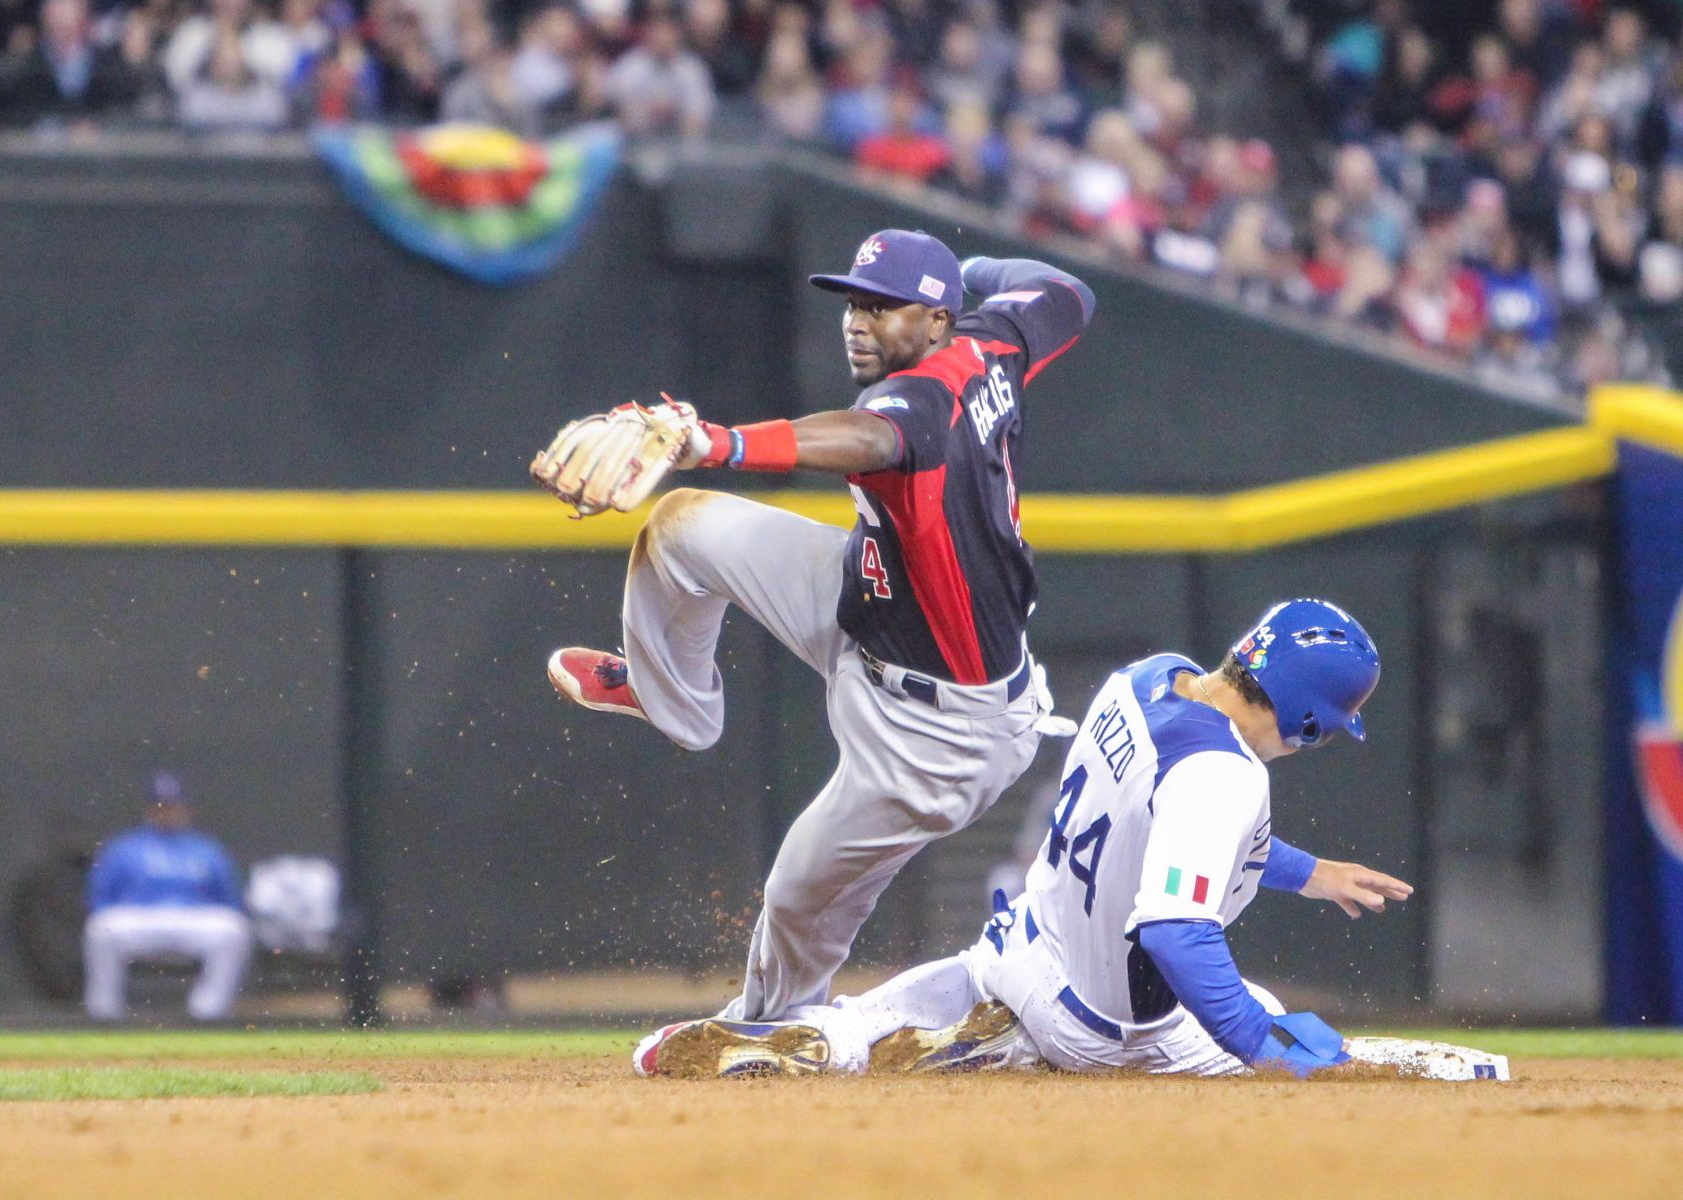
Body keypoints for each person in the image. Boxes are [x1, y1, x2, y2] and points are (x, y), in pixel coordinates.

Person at [541, 229, 1095, 1030]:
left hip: (937, 731)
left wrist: (717, 443)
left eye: (884, 306)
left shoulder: (919, 402)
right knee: (680, 530)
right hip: (864, 602)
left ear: (936, 322)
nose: (858, 322)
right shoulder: (994, 340)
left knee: (797, 897)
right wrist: (967, 273)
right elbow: (1068, 291)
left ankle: (774, 1028)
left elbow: (869, 438)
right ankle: (672, 702)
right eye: (854, 303)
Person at [634, 599, 1414, 1080]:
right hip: (1105, 1027)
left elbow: (1164, 834)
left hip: (1023, 943)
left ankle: (825, 1038)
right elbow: (1179, 932)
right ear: (1313, 719)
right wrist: (1259, 1043)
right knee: (1302, 1039)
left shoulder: (1148, 679)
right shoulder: (1227, 775)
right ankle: (1003, 1045)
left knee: (915, 1007)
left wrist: (1310, 872)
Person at [83, 771, 252, 1022]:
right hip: (140, 920)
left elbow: (228, 900)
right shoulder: (125, 848)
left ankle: (207, 1013)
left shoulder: (206, 850)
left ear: (186, 809)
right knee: (100, 929)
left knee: (234, 929)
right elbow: (99, 898)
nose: (167, 812)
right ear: (149, 809)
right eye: (160, 806)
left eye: (173, 806)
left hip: (191, 919)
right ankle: (104, 1014)